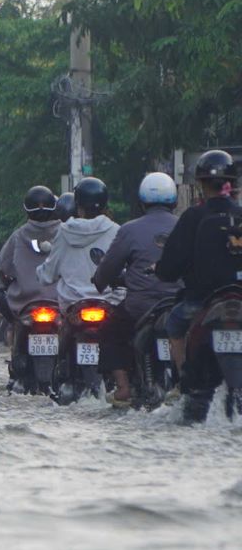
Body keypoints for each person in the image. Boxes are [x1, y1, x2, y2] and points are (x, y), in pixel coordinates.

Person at [90, 173, 181, 406]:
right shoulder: (185, 225)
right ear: (174, 201)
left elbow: (108, 269)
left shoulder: (129, 230)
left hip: (140, 307)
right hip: (179, 305)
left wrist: (100, 281)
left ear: (142, 202)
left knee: (109, 329)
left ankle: (123, 388)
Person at [156, 149, 239, 377]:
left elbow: (171, 266)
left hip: (202, 300)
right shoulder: (239, 214)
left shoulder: (193, 216)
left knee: (173, 325)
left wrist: (162, 271)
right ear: (231, 183)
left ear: (201, 183)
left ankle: (184, 380)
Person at [36, 177, 124, 312]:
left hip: (72, 307)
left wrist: (39, 273)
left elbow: (48, 274)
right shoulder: (116, 231)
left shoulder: (64, 231)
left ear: (78, 205)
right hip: (108, 306)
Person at [0, 185, 62, 323]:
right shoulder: (67, 234)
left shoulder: (18, 236)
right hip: (62, 303)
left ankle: (13, 331)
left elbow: (2, 269)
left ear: (27, 210)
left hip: (24, 306)